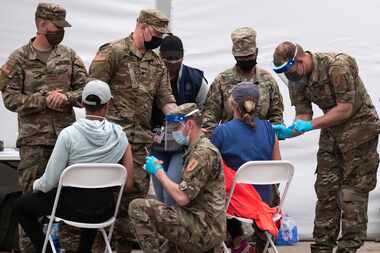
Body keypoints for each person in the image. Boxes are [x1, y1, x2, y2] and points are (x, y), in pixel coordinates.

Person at [272, 41, 380, 253]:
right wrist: (289, 131)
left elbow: (345, 109)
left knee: (352, 196)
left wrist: (310, 125)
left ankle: (348, 248)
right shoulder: (297, 78)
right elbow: (304, 116)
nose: (289, 76)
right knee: (325, 191)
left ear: (301, 60)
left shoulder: (337, 66)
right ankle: (321, 248)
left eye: (289, 70)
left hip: (360, 132)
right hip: (332, 134)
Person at [0, 2, 87, 252]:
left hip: (66, 142)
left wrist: (67, 98)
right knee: (29, 203)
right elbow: (10, 99)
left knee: (69, 202)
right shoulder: (18, 58)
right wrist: (43, 99)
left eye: (62, 26)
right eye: (57, 26)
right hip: (34, 145)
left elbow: (86, 91)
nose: (61, 31)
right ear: (41, 24)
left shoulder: (69, 56)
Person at [88, 8, 177, 252]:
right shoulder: (113, 52)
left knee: (133, 204)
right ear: (142, 27)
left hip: (138, 146)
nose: (159, 39)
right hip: (109, 143)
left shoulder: (156, 62)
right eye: (157, 33)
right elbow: (92, 94)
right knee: (102, 199)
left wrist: (181, 116)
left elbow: (165, 99)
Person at [14, 79, 134, 253]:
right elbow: (128, 185)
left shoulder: (69, 134)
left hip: (72, 209)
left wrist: (35, 186)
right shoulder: (120, 136)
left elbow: (50, 181)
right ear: (108, 104)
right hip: (104, 211)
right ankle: (84, 249)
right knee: (94, 195)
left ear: (83, 103)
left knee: (21, 206)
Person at [129, 103, 226, 253]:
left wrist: (158, 172)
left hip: (204, 229)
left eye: (176, 128)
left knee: (138, 207)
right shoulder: (198, 148)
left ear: (189, 124)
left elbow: (182, 197)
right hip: (202, 222)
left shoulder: (202, 153)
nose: (174, 133)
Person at [211, 82, 281, 253]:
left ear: (233, 103)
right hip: (265, 201)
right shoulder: (268, 128)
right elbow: (277, 165)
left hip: (237, 204)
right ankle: (246, 243)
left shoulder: (223, 131)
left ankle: (235, 240)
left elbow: (210, 168)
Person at [150, 34, 209, 206]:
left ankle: (174, 229)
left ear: (183, 56)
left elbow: (207, 108)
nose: (173, 64)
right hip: (157, 143)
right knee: (160, 195)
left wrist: (196, 130)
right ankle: (166, 229)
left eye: (177, 59)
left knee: (172, 194)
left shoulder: (195, 79)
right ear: (160, 57)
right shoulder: (151, 77)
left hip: (182, 145)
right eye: (168, 60)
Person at [202, 27, 283, 134]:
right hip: (230, 143)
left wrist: (271, 136)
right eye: (241, 58)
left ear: (256, 52)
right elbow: (209, 118)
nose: (246, 60)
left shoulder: (267, 80)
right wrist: (218, 140)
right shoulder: (222, 81)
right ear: (234, 55)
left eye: (249, 56)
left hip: (260, 143)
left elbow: (276, 114)